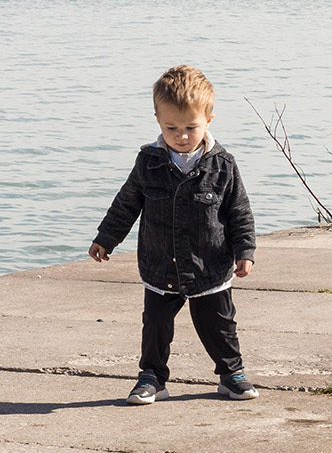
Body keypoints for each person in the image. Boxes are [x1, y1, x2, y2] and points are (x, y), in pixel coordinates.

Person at [89, 64, 259, 405]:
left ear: (209, 120)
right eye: (171, 127)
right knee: (155, 325)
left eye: (190, 127)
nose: (181, 135)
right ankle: (152, 377)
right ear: (157, 120)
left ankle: (231, 374)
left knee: (219, 324)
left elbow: (239, 211)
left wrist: (245, 251)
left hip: (209, 264)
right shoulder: (147, 162)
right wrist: (105, 238)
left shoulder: (223, 164)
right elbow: (126, 204)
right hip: (160, 264)